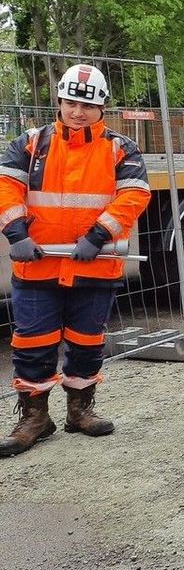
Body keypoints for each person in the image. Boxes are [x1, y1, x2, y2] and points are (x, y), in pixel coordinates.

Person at [0, 63, 150, 457]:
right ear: (60, 101)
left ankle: (80, 410)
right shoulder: (31, 144)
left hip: (94, 264)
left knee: (87, 341)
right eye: (70, 102)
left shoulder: (120, 148)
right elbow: (7, 189)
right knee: (33, 343)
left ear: (102, 106)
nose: (77, 111)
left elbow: (134, 195)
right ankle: (35, 417)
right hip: (39, 264)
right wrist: (17, 235)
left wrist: (98, 235)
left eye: (86, 104)